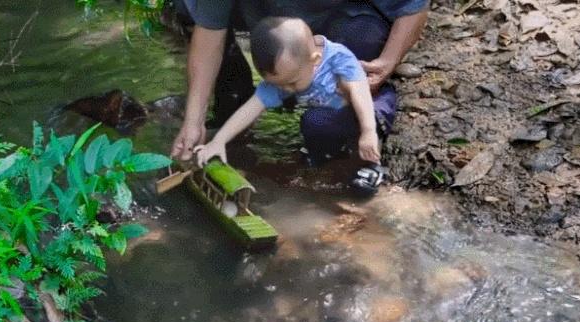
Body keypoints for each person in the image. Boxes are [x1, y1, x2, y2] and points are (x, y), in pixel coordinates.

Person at [170, 0, 428, 163]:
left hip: (349, 19)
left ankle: (370, 113)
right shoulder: (277, 80)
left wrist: (388, 61)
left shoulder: (338, 60)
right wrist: (195, 122)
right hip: (276, 32)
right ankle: (231, 95)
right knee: (186, 7)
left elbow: (413, 5)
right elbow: (209, 33)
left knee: (323, 124)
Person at [194, 17, 384, 194]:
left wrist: (368, 131)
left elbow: (361, 93)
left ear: (315, 60)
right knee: (312, 122)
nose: (286, 89)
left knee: (373, 116)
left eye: (292, 82)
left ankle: (373, 166)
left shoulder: (338, 59)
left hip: (367, 106)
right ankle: (327, 157)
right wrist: (219, 140)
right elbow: (250, 108)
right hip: (330, 117)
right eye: (279, 85)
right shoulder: (285, 76)